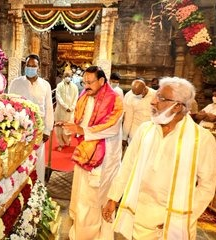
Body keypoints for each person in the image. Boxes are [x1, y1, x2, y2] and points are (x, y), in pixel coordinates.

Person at [102, 77, 216, 240]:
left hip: (172, 223)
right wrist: (113, 198)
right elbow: (127, 166)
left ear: (178, 106)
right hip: (138, 218)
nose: (153, 101)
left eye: (161, 98)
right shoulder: (145, 130)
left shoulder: (202, 139)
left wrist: (179, 219)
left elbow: (207, 186)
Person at [62, 66, 123, 240]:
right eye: (84, 82)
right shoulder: (84, 97)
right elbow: (78, 119)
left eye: (89, 82)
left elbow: (112, 128)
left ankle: (95, 236)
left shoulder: (114, 99)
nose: (86, 86)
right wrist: (70, 128)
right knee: (81, 194)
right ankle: (79, 232)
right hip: (84, 153)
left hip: (103, 159)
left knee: (94, 200)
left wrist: (82, 130)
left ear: (102, 81)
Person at [8, 54, 54, 184]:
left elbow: (49, 108)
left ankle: (37, 187)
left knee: (38, 159)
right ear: (25, 66)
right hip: (21, 128)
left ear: (38, 67)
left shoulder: (45, 85)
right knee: (20, 159)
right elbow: (10, 104)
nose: (30, 68)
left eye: (33, 66)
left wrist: (47, 130)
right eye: (28, 65)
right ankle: (20, 187)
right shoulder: (16, 83)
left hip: (39, 129)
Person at [122, 78, 156, 146]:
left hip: (150, 132)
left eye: (139, 94)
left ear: (144, 89)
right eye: (134, 94)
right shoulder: (130, 97)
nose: (136, 96)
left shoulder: (155, 95)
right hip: (134, 133)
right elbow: (128, 119)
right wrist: (124, 137)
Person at [54, 70, 79, 151]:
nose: (67, 78)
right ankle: (61, 144)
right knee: (59, 129)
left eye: (69, 76)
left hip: (70, 111)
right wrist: (65, 107)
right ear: (63, 77)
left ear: (71, 77)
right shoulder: (59, 85)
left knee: (68, 128)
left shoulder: (75, 87)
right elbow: (58, 97)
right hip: (60, 110)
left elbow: (76, 98)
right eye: (66, 76)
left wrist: (71, 107)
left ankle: (67, 141)